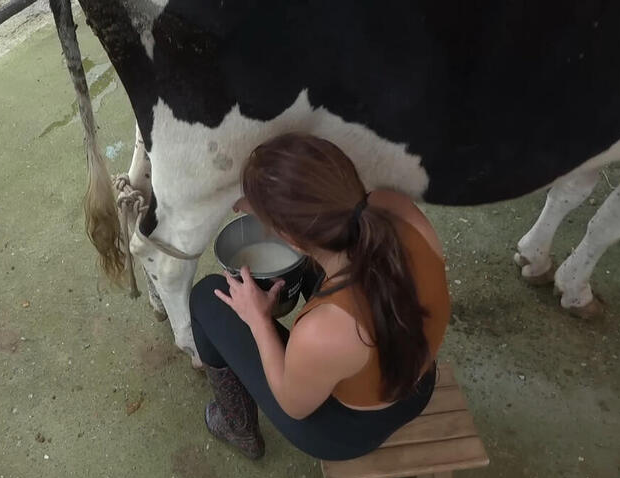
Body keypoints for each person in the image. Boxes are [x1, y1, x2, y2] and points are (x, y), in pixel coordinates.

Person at [189, 133, 451, 460]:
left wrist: (258, 321)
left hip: (351, 428)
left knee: (205, 297)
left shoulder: (325, 330)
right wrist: (276, 210)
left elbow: (293, 404)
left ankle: (237, 425)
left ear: (291, 237)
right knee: (314, 273)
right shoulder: (394, 207)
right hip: (417, 381)